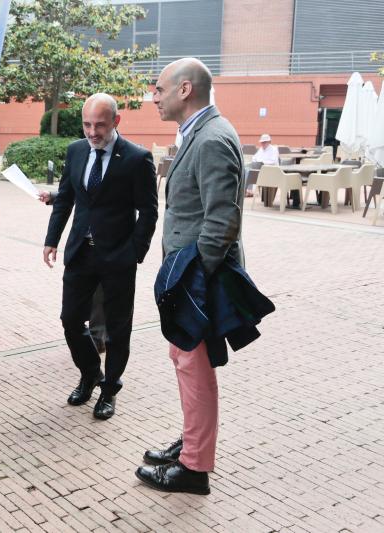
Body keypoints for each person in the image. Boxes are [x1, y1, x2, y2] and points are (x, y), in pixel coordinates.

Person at [136, 58, 244, 495]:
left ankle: (195, 466)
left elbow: (222, 219)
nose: (154, 97)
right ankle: (192, 444)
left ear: (184, 89)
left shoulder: (213, 137)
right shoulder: (198, 132)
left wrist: (194, 276)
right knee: (184, 361)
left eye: (159, 89)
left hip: (196, 276)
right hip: (188, 272)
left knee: (193, 366)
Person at [43, 93, 158, 421]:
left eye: (100, 125)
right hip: (80, 253)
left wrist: (135, 252)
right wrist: (52, 240)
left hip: (118, 258)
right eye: (87, 124)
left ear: (116, 122)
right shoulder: (76, 151)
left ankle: (109, 390)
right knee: (69, 320)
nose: (92, 132)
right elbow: (65, 198)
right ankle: (90, 372)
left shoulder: (137, 158)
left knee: (118, 329)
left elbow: (149, 210)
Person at [38, 190, 107, 354]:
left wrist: (137, 248)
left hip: (111, 247)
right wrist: (55, 196)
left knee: (100, 295)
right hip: (80, 246)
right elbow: (83, 186)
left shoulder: (129, 163)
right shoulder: (78, 162)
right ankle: (91, 365)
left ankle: (97, 340)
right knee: (70, 316)